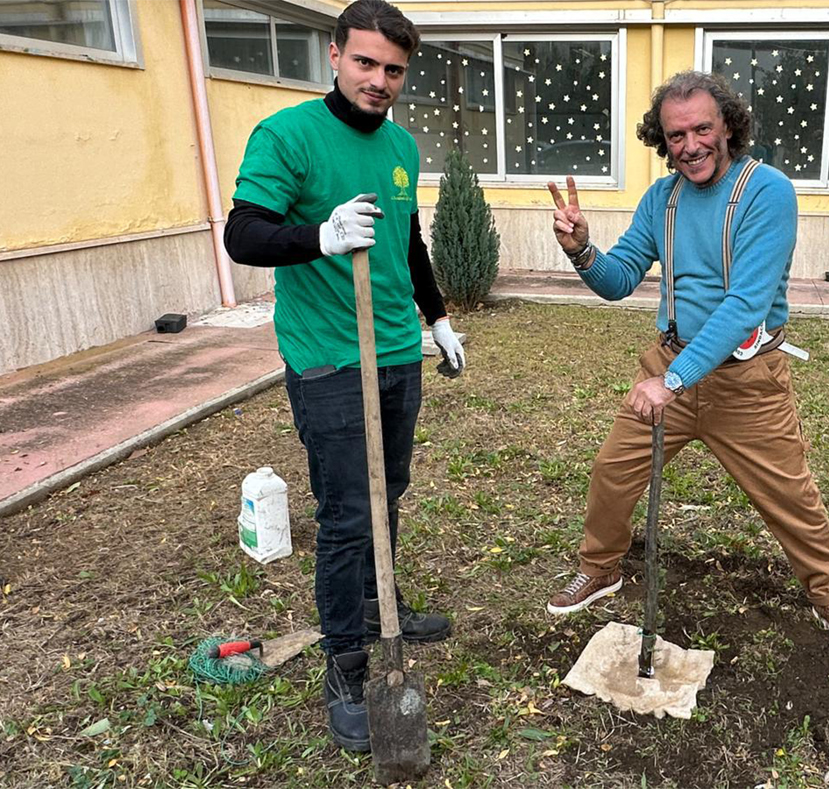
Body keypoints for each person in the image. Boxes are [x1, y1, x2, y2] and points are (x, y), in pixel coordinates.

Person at [544, 71, 829, 662]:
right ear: (662, 140)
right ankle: (600, 569)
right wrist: (581, 250)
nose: (690, 145)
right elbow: (618, 280)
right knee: (613, 473)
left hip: (745, 381)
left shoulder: (766, 192)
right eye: (676, 135)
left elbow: (746, 303)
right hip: (670, 366)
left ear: (728, 126)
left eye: (702, 128)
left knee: (790, 496)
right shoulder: (662, 199)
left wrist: (673, 381)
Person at [223, 0, 463, 753]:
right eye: (366, 62)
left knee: (387, 491)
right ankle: (345, 663)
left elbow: (409, 238)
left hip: (394, 347)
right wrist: (319, 236)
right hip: (328, 357)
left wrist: (438, 317)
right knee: (346, 515)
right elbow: (244, 232)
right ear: (334, 55)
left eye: (394, 69)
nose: (380, 80)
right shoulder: (288, 136)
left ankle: (376, 603)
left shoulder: (400, 144)